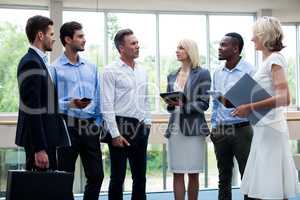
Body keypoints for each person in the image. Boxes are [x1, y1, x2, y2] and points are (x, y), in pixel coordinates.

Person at [233, 16, 300, 200]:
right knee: (270, 184)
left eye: (255, 35)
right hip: (263, 127)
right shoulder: (266, 60)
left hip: (271, 129)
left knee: (272, 184)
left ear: (264, 36)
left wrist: (249, 106)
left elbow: (285, 98)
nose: (252, 39)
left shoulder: (275, 59)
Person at [50, 21, 103, 200]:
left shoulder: (91, 67)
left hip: (89, 126)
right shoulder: (54, 68)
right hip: (67, 125)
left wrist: (97, 123)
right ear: (67, 39)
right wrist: (70, 104)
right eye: (80, 36)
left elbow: (98, 97)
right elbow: (49, 103)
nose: (84, 40)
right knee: (65, 176)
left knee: (97, 175)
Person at [101, 28, 151, 200]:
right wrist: (115, 134)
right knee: (117, 178)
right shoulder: (110, 70)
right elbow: (106, 104)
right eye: (133, 43)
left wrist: (148, 123)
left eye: (137, 42)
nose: (138, 46)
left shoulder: (142, 70)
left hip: (140, 126)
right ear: (122, 48)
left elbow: (145, 99)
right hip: (119, 126)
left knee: (140, 177)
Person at [15, 15, 70, 171]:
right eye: (51, 34)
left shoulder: (39, 61)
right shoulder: (31, 62)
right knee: (40, 190)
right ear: (40, 35)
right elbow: (32, 108)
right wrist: (39, 149)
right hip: (39, 143)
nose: (54, 39)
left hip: (46, 140)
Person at [164, 39, 211, 200]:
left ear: (190, 51)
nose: (177, 51)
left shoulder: (202, 73)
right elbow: (170, 106)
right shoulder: (171, 75)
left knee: (193, 173)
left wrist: (183, 106)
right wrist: (170, 104)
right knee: (176, 172)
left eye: (181, 48)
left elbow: (204, 103)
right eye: (177, 48)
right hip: (175, 128)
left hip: (194, 129)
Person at [210, 32, 255, 200]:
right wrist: (214, 127)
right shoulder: (217, 72)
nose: (219, 48)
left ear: (235, 48)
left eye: (223, 45)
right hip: (221, 131)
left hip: (242, 130)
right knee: (224, 178)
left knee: (248, 177)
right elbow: (215, 103)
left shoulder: (249, 70)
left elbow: (250, 101)